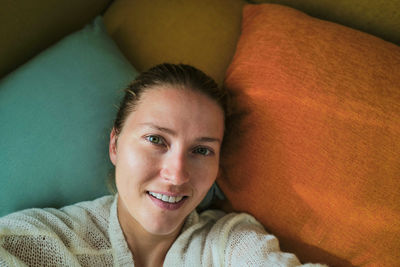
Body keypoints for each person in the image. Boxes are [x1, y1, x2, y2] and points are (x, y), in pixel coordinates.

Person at [0, 64, 325, 266]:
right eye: (156, 140)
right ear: (115, 145)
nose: (177, 174)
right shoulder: (44, 240)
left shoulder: (228, 243)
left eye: (201, 150)